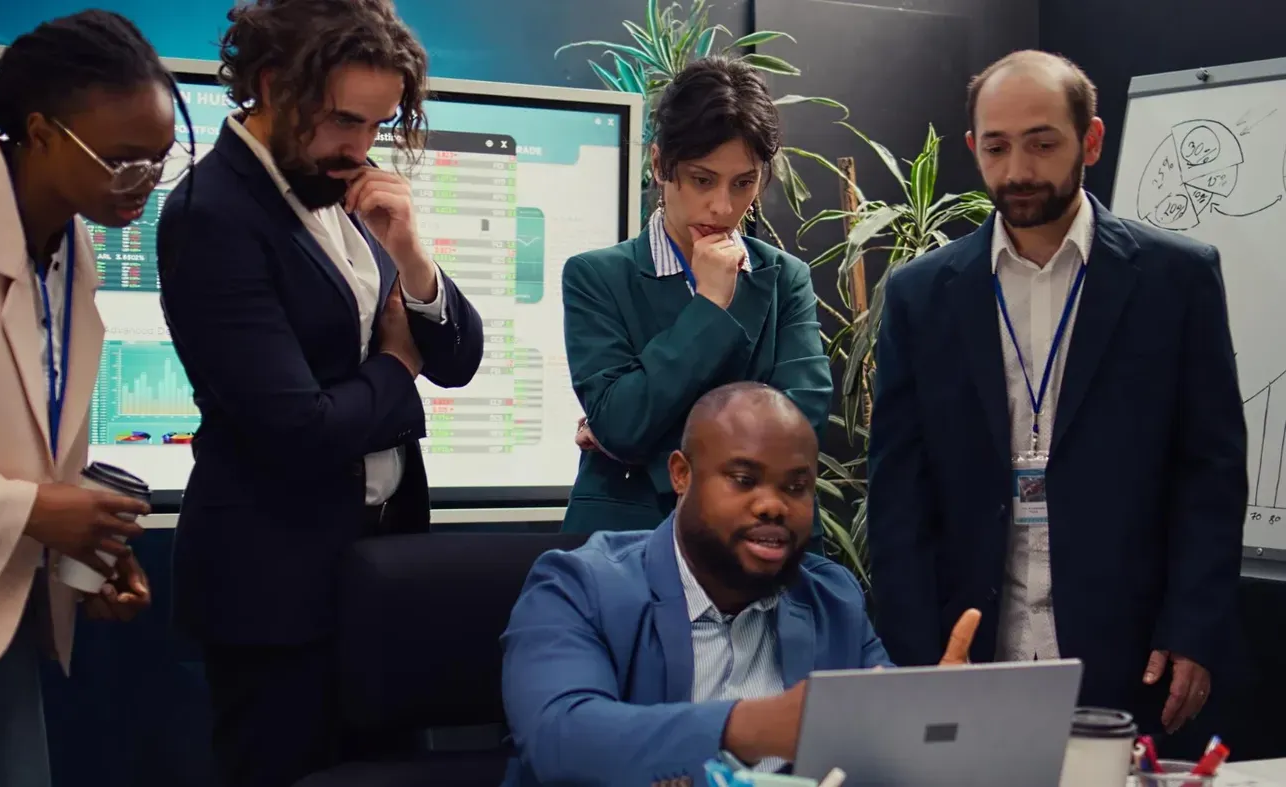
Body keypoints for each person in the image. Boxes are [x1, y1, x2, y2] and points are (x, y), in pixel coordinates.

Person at [867, 50, 1247, 741]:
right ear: (972, 150)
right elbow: (897, 491)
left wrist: (1194, 623)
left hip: (1130, 645)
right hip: (969, 643)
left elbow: (1210, 471)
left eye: (1042, 142)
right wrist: (917, 649)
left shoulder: (1175, 279)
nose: (1018, 170)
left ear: (1091, 141)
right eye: (997, 146)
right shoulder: (921, 296)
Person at [155, 0, 484, 784]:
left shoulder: (345, 187)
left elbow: (461, 358)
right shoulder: (211, 213)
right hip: (274, 588)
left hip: (384, 567)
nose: (361, 147)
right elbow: (297, 430)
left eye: (378, 125)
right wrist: (397, 367)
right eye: (344, 121)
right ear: (274, 85)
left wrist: (410, 254)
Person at [0, 9, 184, 785]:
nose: (144, 187)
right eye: (123, 162)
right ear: (42, 130)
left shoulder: (68, 247)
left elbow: (17, 434)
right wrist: (27, 511)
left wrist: (80, 550)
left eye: (157, 163)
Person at [502, 382, 982, 787]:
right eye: (743, 479)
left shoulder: (831, 597)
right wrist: (750, 727)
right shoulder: (579, 586)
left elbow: (876, 711)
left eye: (796, 487)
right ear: (682, 475)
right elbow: (558, 737)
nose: (773, 505)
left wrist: (931, 714)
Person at [561, 56, 833, 534]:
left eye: (743, 183)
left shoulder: (785, 279)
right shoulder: (596, 276)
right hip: (627, 540)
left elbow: (799, 429)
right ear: (660, 164)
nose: (723, 206)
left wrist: (641, 438)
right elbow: (622, 424)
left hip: (757, 543)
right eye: (703, 180)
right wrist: (708, 305)